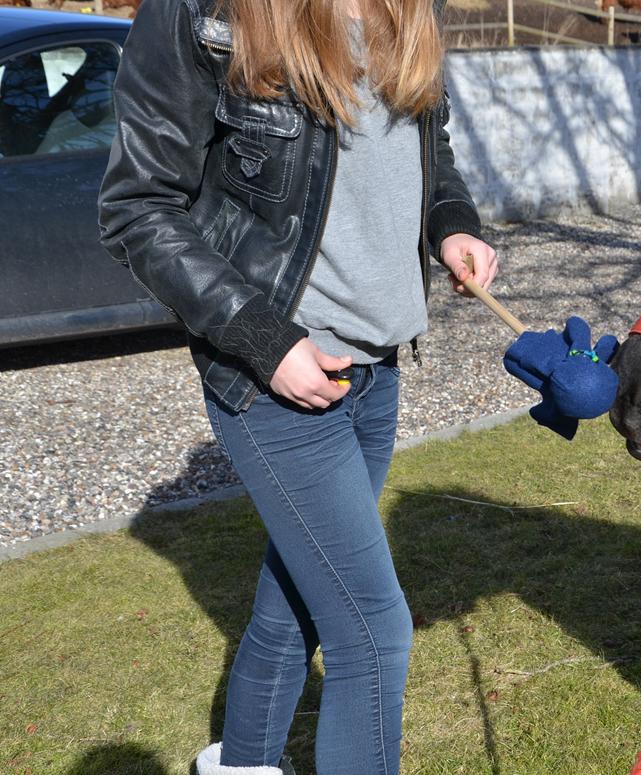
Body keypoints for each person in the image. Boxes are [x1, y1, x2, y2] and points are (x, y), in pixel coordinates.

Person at [97, 0, 497, 771]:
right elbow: (136, 208)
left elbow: (425, 142)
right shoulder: (201, 12)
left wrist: (452, 221)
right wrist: (263, 339)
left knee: (294, 605)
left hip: (375, 370)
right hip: (274, 376)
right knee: (374, 633)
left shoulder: (411, 6)